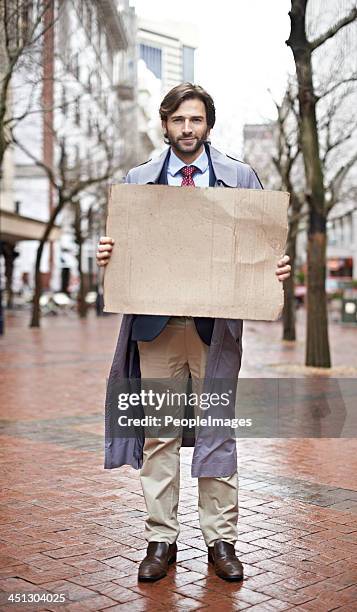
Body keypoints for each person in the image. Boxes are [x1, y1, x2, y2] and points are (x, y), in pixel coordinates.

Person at [97, 83, 291, 583]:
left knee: (218, 431)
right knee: (159, 434)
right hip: (156, 327)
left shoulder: (240, 178)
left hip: (214, 329)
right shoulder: (137, 182)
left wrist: (275, 267)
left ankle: (220, 540)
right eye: (179, 120)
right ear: (165, 124)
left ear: (208, 125)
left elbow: (261, 246)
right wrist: (106, 256)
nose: (188, 129)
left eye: (196, 120)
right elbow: (121, 249)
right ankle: (160, 539)